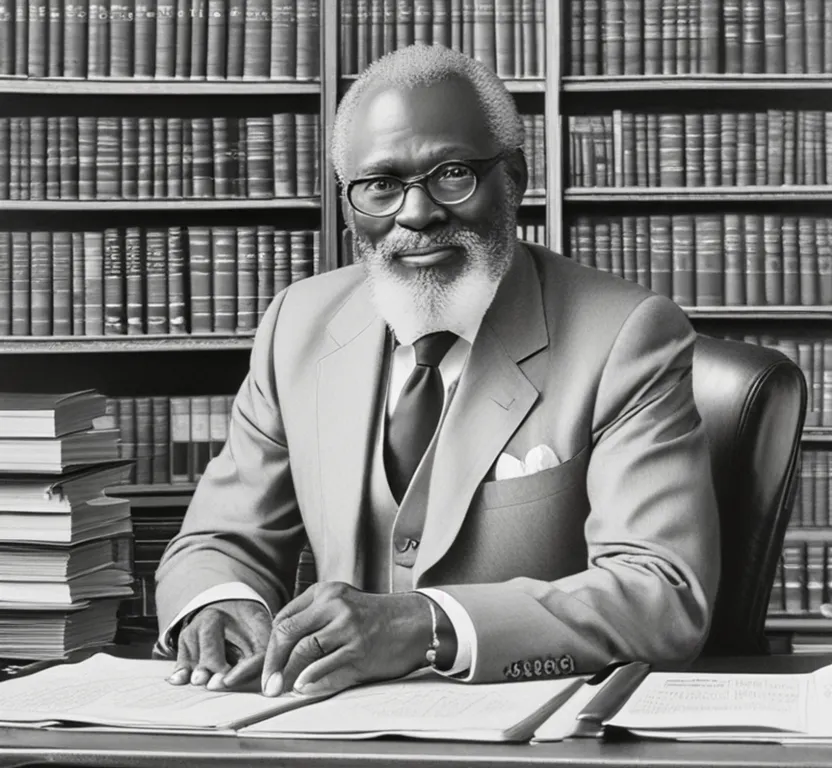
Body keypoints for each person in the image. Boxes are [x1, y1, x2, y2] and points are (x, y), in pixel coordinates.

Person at [155, 44, 721, 698]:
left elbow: (660, 591)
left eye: (452, 174)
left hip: (537, 736)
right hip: (320, 726)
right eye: (381, 185)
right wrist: (218, 603)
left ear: (514, 178)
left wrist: (427, 623)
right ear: (348, 204)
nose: (416, 213)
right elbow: (221, 538)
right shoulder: (295, 326)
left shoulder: (626, 335)